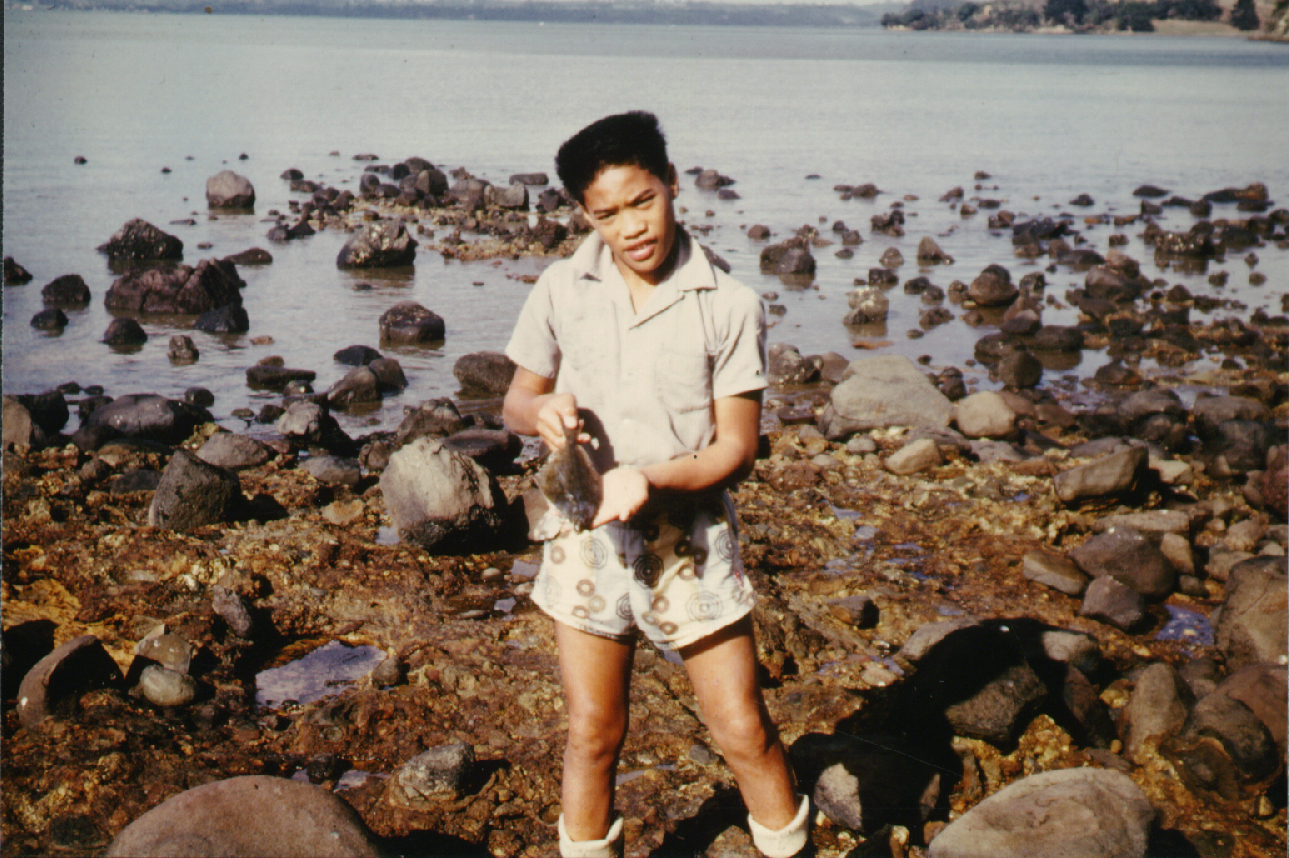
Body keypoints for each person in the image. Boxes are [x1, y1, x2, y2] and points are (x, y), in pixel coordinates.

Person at [503, 111, 809, 858]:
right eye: (606, 214)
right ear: (584, 214)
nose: (631, 227)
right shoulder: (560, 287)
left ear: (672, 185)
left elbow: (736, 451)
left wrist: (646, 478)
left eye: (643, 201)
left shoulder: (729, 305)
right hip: (584, 534)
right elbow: (514, 401)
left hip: (688, 537)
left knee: (741, 726)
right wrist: (543, 410)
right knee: (593, 731)